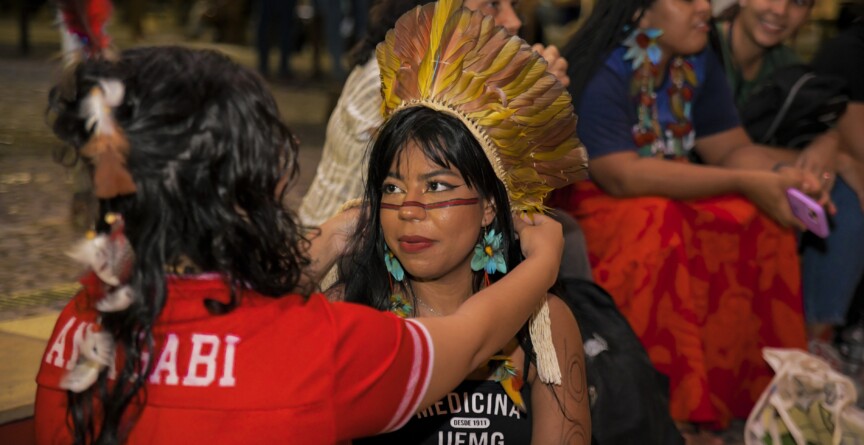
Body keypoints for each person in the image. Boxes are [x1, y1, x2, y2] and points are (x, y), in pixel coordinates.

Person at [33, 45, 565, 444]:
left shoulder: (82, 322)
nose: (408, 206)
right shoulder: (313, 348)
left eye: (437, 185)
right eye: (274, 163)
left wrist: (334, 234)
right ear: (241, 195)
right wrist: (542, 263)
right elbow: (469, 342)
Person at [551, 0, 830, 440]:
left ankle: (754, 393)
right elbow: (621, 175)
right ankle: (670, 409)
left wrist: (778, 178)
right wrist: (744, 179)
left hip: (666, 190)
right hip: (599, 202)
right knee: (657, 220)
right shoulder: (608, 65)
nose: (705, 7)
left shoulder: (696, 58)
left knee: (759, 216)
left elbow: (730, 147)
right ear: (640, 12)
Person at [334, 1, 591, 443]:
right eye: (393, 188)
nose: (410, 209)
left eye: (436, 186)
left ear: (491, 205)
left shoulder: (543, 322)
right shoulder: (352, 308)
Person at [296, 0, 569, 228]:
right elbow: (470, 184)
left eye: (514, 5)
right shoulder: (401, 76)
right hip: (343, 258)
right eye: (493, 5)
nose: (514, 21)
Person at [713, 0, 864, 362]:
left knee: (837, 191)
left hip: (754, 169)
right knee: (818, 181)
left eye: (798, 2)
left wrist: (828, 143)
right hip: (699, 172)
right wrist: (831, 152)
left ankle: (816, 339)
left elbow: (820, 134)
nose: (780, 11)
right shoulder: (702, 48)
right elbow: (727, 154)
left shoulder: (787, 67)